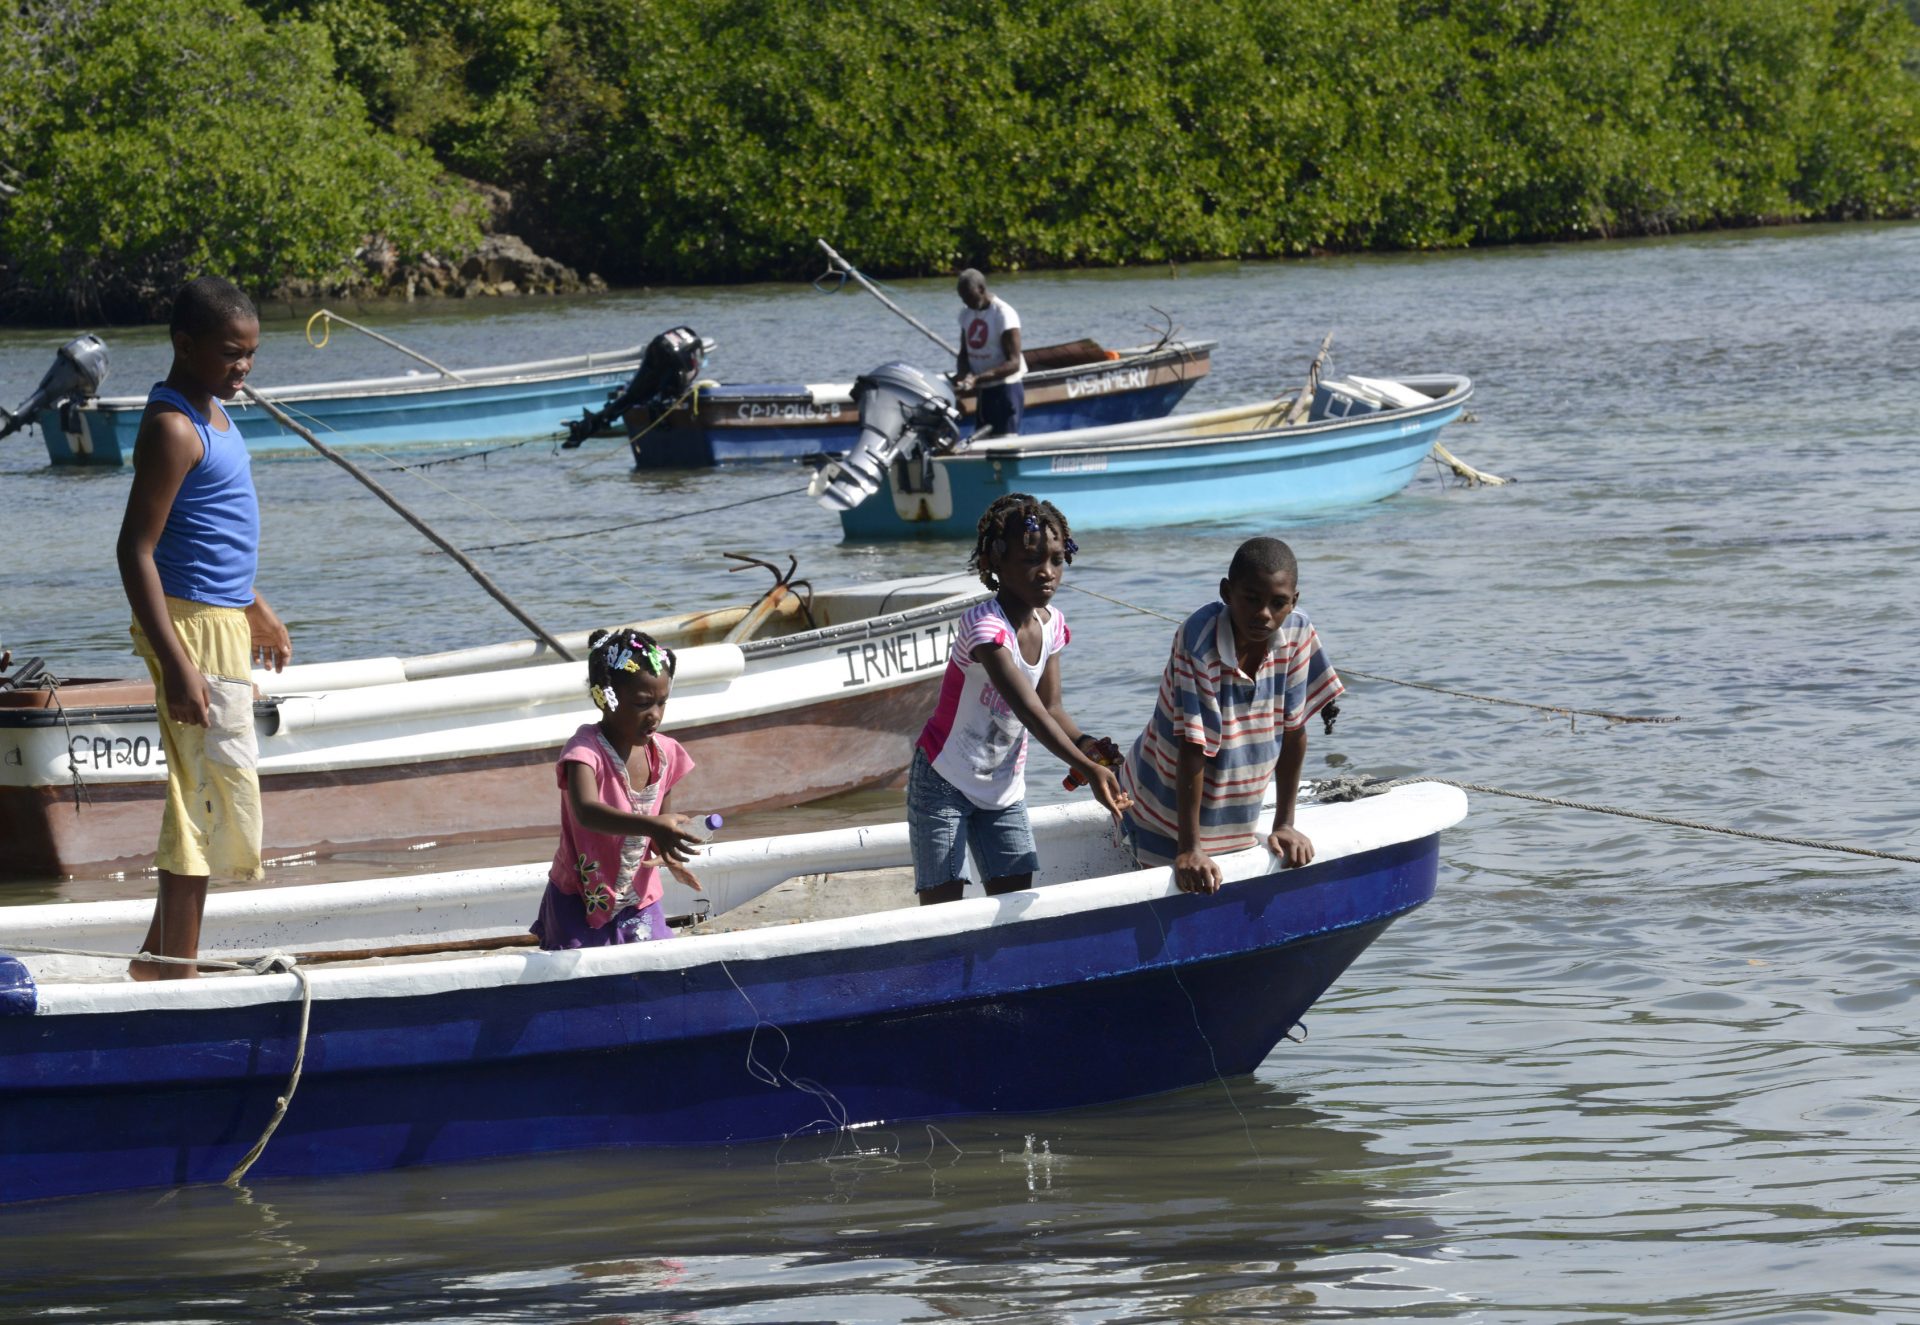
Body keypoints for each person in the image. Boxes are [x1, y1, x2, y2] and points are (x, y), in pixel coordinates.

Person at [116, 275, 291, 980]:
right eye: (229, 353)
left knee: (216, 787)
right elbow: (137, 551)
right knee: (199, 796)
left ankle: (156, 958)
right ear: (185, 346)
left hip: (220, 619)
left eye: (250, 353)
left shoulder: (216, 411)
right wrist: (178, 661)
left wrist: (255, 604)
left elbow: (211, 536)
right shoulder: (173, 427)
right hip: (186, 627)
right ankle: (172, 969)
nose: (243, 366)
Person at [909, 494, 1129, 905]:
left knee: (1013, 902)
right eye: (1031, 561)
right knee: (941, 909)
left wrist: (1088, 747)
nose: (1047, 573)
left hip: (1003, 788)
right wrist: (1085, 770)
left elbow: (1052, 708)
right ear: (995, 563)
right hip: (944, 781)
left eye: (1057, 560)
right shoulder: (984, 628)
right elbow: (1028, 711)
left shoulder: (1053, 625)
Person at [1122, 536, 1344, 895]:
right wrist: (1189, 848)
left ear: (1294, 601)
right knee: (1173, 909)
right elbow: (1193, 744)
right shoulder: (1199, 639)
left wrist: (1284, 823)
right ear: (1227, 592)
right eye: (1251, 599)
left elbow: (1294, 730)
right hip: (1161, 807)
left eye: (1278, 603)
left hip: (1233, 812)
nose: (1264, 615)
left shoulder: (1299, 632)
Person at [531, 628, 706, 949]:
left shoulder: (665, 754)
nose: (654, 715)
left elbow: (658, 828)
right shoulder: (584, 752)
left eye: (662, 703)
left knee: (652, 968)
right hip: (580, 896)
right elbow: (587, 812)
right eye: (642, 704)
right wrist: (652, 825)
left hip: (640, 898)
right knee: (578, 982)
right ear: (606, 697)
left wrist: (669, 846)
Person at [954, 268, 1026, 437]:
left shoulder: (1003, 314)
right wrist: (963, 375)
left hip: (1005, 391)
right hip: (983, 392)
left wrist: (977, 378)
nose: (966, 301)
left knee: (1004, 445)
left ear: (981, 289)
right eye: (962, 298)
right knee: (982, 447)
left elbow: (1014, 363)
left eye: (968, 296)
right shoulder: (966, 313)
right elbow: (964, 353)